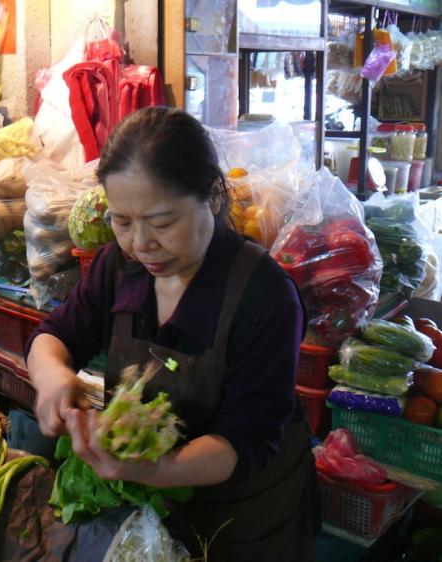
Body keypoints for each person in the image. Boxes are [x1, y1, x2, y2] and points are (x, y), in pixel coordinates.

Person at [26, 107, 318, 561]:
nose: (140, 243)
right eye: (122, 221)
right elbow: (54, 336)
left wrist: (152, 468)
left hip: (241, 519)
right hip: (152, 513)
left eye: (162, 222)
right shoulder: (117, 268)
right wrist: (52, 378)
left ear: (213, 199)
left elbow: (244, 441)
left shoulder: (265, 296)